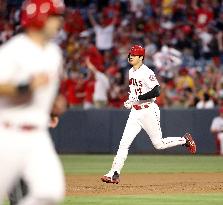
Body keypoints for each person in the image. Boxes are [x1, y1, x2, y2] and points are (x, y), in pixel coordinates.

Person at [0, 0, 66, 204]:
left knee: (50, 192)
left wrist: (53, 106)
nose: (59, 22)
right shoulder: (14, 50)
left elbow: (45, 93)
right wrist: (25, 86)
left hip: (38, 135)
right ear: (39, 18)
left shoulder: (54, 53)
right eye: (54, 17)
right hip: (8, 133)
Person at [101, 45, 197, 184]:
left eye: (134, 54)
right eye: (130, 54)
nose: (131, 56)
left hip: (148, 111)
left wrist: (137, 99)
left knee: (158, 144)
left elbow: (157, 91)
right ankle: (114, 173)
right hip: (135, 112)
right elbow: (135, 92)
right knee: (123, 144)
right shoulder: (130, 71)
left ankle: (184, 140)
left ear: (141, 57)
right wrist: (131, 99)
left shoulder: (147, 72)